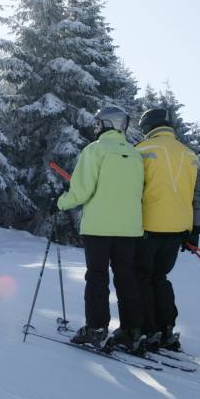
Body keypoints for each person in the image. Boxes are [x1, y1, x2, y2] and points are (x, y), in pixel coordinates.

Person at [56, 106, 146, 352]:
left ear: (107, 124)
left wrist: (62, 202)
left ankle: (96, 328)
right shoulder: (135, 154)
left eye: (98, 124)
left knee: (97, 277)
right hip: (129, 229)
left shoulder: (95, 150)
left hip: (99, 228)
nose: (95, 128)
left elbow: (82, 190)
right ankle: (132, 330)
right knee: (126, 278)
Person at [134, 108, 200, 351]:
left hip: (147, 226)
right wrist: (195, 229)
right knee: (160, 277)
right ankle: (167, 329)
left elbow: (131, 190)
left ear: (148, 127)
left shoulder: (141, 151)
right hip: (178, 230)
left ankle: (149, 330)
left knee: (141, 278)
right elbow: (199, 196)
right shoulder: (190, 155)